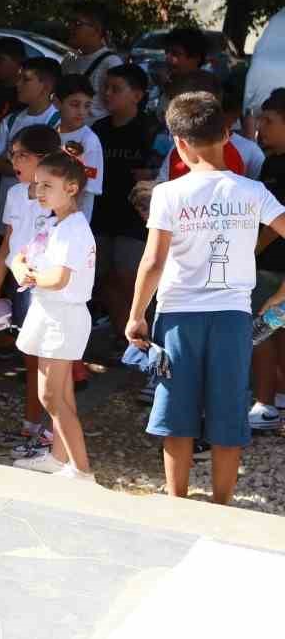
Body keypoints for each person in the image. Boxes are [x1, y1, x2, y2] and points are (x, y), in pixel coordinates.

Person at [129, 91, 285, 504]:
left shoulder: (167, 194)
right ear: (228, 135)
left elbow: (152, 263)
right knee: (229, 411)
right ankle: (222, 505)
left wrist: (135, 316)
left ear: (178, 143)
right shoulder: (253, 191)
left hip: (179, 315)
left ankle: (177, 501)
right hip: (233, 316)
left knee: (176, 413)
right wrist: (281, 297)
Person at [10, 151, 97, 481]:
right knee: (62, 395)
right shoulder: (52, 223)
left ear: (72, 188)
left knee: (50, 394)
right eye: (37, 185)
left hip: (63, 316)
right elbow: (21, 255)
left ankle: (81, 469)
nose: (40, 192)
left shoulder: (74, 229)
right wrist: (22, 269)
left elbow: (59, 278)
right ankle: (60, 458)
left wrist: (28, 276)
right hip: (47, 311)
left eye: (48, 185)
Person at [0, 124, 65, 460]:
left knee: (47, 362)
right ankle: (31, 426)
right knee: (29, 358)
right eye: (12, 154)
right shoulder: (16, 193)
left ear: (44, 159)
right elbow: (8, 240)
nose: (15, 161)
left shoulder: (60, 197)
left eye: (23, 156)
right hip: (20, 286)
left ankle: (51, 434)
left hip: (46, 290)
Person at [91, 63, 159, 335]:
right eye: (105, 88)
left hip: (137, 220)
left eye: (116, 89)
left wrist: (152, 172)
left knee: (131, 279)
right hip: (102, 215)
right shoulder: (98, 128)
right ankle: (125, 340)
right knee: (106, 281)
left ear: (138, 95)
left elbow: (167, 169)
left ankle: (148, 336)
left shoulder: (153, 129)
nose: (107, 94)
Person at [0, 56, 61, 233]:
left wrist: (11, 165)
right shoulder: (11, 120)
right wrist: (29, 167)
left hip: (42, 214)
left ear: (46, 86)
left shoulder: (59, 122)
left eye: (26, 79)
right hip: (8, 207)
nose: (18, 84)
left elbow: (56, 169)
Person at [252, 89, 285, 431]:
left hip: (273, 271)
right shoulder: (271, 161)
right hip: (269, 268)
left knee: (260, 331)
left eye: (270, 121)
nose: (261, 127)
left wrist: (253, 250)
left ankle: (264, 406)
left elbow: (278, 222)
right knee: (274, 330)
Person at [55, 74, 105, 221]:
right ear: (57, 103)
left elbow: (86, 187)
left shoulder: (89, 141)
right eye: (75, 105)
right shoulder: (50, 134)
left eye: (87, 105)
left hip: (74, 219)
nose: (82, 112)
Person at [63, 2, 122, 124]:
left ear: (97, 30)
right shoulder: (69, 59)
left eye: (77, 24)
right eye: (69, 22)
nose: (70, 27)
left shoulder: (111, 63)